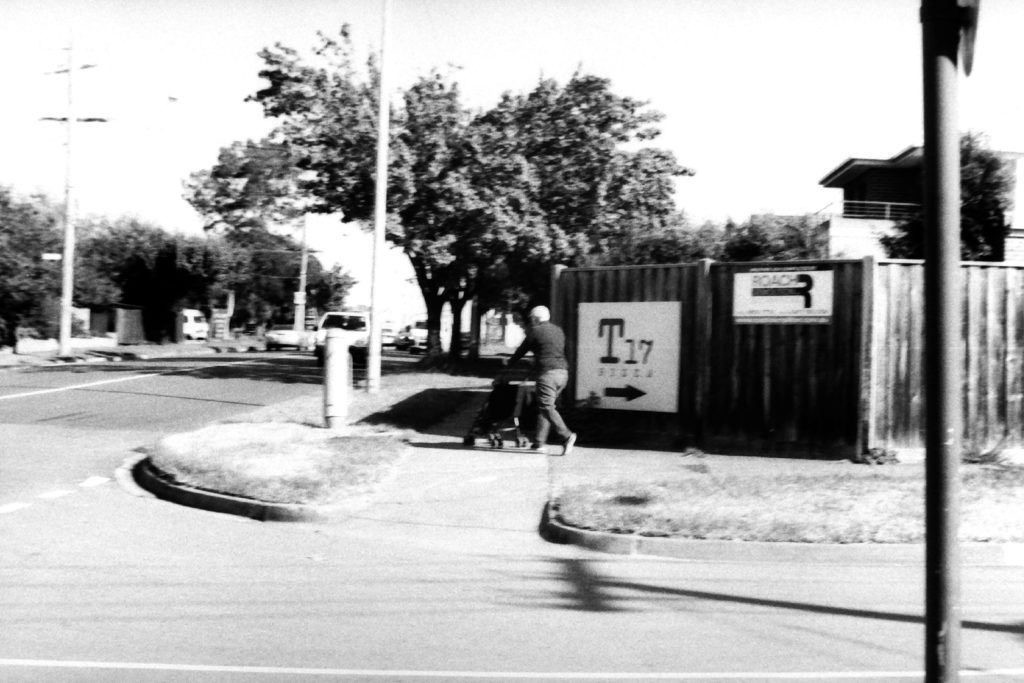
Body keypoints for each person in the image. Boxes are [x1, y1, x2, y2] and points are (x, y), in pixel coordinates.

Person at [504, 305, 577, 456]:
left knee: (546, 406)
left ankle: (567, 435)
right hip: (562, 373)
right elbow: (552, 350)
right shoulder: (558, 331)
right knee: (545, 407)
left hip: (547, 374)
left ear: (536, 318)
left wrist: (509, 362)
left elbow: (521, 351)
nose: (531, 321)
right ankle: (539, 443)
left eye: (532, 318)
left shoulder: (535, 331)